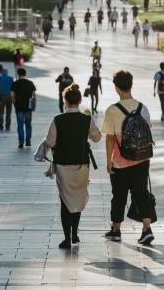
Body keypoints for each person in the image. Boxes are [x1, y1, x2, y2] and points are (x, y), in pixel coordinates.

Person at [101, 70, 156, 245]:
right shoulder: (143, 107)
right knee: (141, 193)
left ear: (116, 88)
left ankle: (116, 230)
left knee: (119, 195)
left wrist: (109, 161)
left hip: (120, 162)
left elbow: (110, 137)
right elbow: (147, 130)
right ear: (131, 85)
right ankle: (146, 228)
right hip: (142, 159)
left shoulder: (112, 110)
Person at [43, 84, 102, 248]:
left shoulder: (58, 119)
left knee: (65, 200)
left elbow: (49, 142)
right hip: (82, 164)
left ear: (65, 100)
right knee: (78, 197)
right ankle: (75, 233)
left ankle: (67, 238)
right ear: (80, 100)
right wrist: (90, 118)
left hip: (63, 166)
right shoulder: (86, 119)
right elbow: (97, 138)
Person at [11, 67, 37, 148]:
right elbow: (34, 95)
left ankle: (21, 142)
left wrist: (14, 102)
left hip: (19, 106)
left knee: (20, 124)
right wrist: (34, 105)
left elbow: (11, 94)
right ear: (25, 74)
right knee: (28, 124)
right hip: (28, 106)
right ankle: (28, 141)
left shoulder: (15, 83)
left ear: (18, 74)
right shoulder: (30, 83)